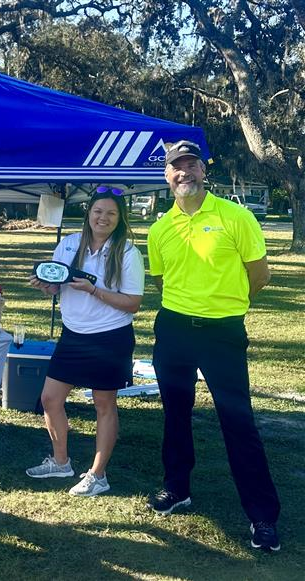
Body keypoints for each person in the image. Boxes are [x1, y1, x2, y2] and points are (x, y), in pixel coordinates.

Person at [146, 140, 281, 552]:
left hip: (222, 333)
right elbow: (161, 281)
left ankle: (261, 516)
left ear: (204, 170)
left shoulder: (235, 216)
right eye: (175, 167)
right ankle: (177, 487)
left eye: (191, 165)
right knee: (175, 414)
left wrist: (224, 306)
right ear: (167, 176)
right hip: (172, 331)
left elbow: (259, 276)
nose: (183, 172)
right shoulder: (159, 228)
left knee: (238, 422)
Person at [25, 188, 144, 496]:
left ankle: (98, 474)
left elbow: (132, 303)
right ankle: (61, 462)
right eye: (98, 212)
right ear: (88, 214)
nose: (103, 218)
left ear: (120, 219)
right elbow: (57, 288)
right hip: (72, 334)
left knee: (104, 404)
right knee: (50, 399)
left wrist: (94, 291)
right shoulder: (68, 245)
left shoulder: (128, 252)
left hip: (110, 337)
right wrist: (45, 286)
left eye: (111, 214)